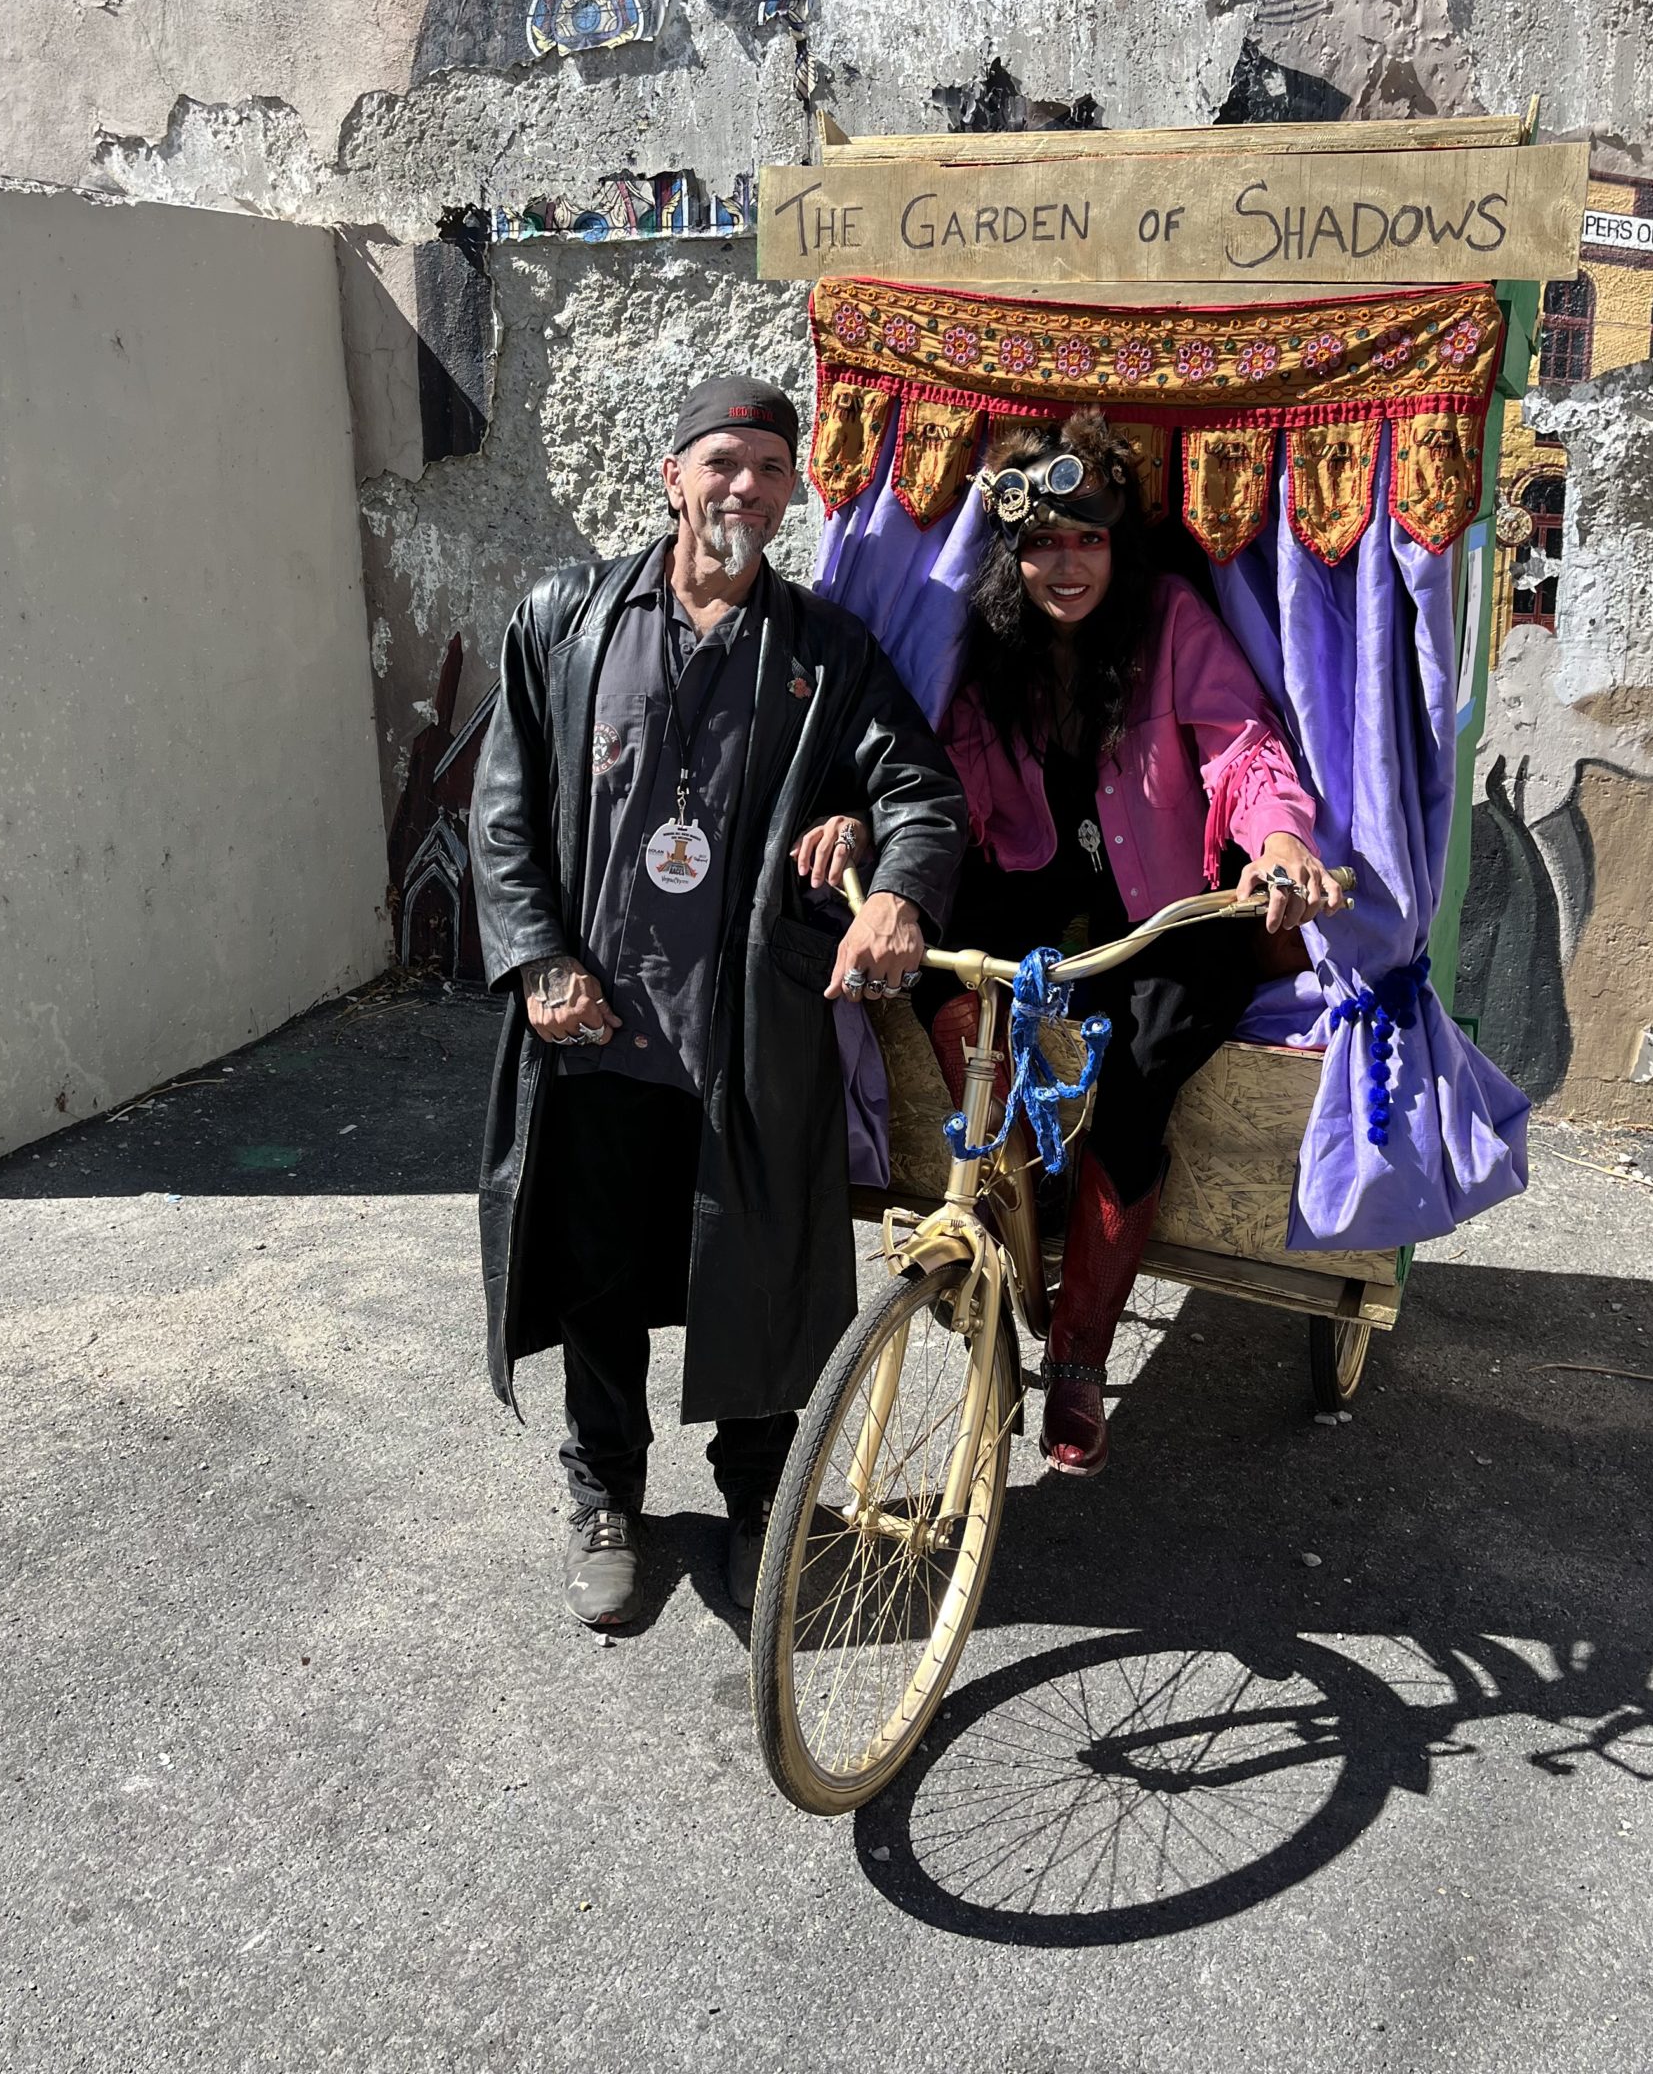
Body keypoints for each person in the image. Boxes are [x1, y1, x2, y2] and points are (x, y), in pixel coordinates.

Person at [471, 374, 967, 1630]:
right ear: (672, 476)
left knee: (755, 1268)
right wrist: (537, 958)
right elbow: (502, 807)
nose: (741, 487)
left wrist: (895, 891)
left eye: (765, 467)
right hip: (595, 1031)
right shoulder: (568, 619)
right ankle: (605, 1488)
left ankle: (761, 1498)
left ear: (794, 490)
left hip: (748, 1034)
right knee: (594, 1273)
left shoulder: (826, 653)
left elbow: (921, 794)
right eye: (720, 463)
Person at [916, 410, 1349, 1477]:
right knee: (945, 964)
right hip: (1034, 893)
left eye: (1089, 540)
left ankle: (1078, 1345)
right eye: (1043, 542)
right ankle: (1006, 1195)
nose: (1066, 565)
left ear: (1123, 541)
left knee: (1146, 1063)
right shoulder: (989, 645)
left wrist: (1283, 842)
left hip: (1160, 905)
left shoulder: (1170, 623)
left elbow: (1242, 749)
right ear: (1013, 552)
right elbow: (950, 781)